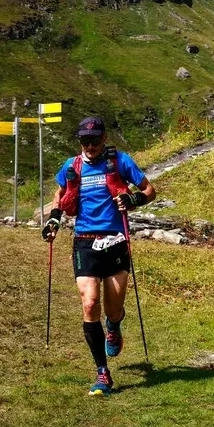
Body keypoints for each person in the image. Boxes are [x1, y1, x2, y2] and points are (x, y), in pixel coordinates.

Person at [42, 116, 156, 396]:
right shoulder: (71, 166)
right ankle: (102, 374)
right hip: (84, 240)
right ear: (79, 141)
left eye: (95, 140)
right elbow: (60, 195)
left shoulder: (120, 161)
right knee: (90, 303)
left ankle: (114, 325)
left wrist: (133, 200)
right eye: (84, 141)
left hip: (116, 240)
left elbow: (149, 191)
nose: (90, 146)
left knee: (112, 308)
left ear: (104, 138)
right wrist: (54, 220)